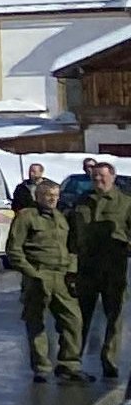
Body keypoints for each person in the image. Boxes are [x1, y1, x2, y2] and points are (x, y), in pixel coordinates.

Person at [12, 172, 81, 379]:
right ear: (38, 196)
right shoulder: (26, 217)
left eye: (56, 195)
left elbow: (71, 247)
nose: (52, 199)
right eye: (47, 195)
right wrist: (32, 273)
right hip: (38, 275)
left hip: (61, 277)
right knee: (36, 322)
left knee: (73, 320)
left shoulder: (61, 217)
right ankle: (41, 367)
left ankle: (69, 364)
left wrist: (72, 268)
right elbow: (14, 250)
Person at [71, 158, 131, 382]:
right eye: (95, 176)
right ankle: (72, 361)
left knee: (114, 318)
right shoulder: (82, 202)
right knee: (80, 317)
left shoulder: (125, 203)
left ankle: (110, 360)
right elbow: (71, 235)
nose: (98, 180)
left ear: (113, 178)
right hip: (86, 268)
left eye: (102, 176)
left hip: (113, 269)